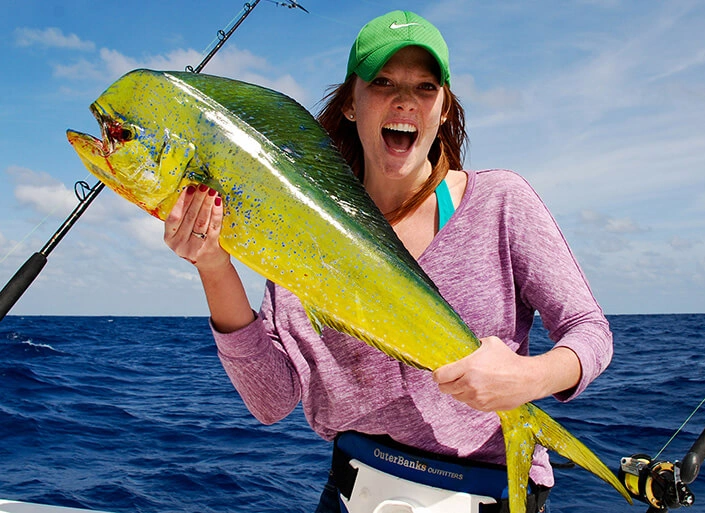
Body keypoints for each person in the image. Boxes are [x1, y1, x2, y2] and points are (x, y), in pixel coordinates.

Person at [163, 10, 613, 513]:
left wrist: (529, 379)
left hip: (488, 493)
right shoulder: (303, 230)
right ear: (352, 104)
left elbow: (589, 332)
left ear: (443, 109)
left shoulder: (501, 201)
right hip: (353, 493)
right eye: (382, 82)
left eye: (425, 87)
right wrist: (213, 266)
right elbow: (272, 401)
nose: (404, 100)